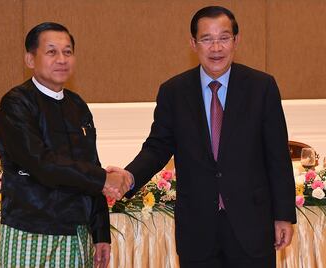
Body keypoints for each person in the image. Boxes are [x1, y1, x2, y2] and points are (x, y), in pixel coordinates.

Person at [107, 6, 296, 268]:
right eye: (207, 39)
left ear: (236, 41)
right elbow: (157, 147)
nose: (216, 47)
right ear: (193, 43)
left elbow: (277, 155)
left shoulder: (261, 87)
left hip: (251, 225)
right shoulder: (174, 91)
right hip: (198, 229)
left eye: (224, 38)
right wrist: (129, 176)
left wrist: (283, 215)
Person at [0, 22, 130, 268]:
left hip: (77, 232)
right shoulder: (16, 104)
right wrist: (103, 179)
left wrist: (100, 234)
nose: (62, 59)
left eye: (67, 52)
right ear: (30, 59)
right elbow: (42, 163)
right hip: (31, 231)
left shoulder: (77, 105)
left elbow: (90, 164)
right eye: (52, 51)